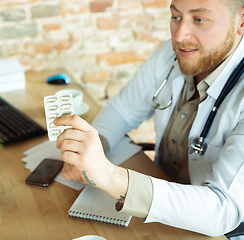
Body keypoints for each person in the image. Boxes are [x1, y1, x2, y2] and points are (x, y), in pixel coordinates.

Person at [54, 0, 244, 237]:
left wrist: (110, 176)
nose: (180, 35)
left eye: (199, 20)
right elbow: (123, 110)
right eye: (175, 17)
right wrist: (89, 152)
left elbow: (222, 210)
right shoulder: (170, 55)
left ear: (241, 21)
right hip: (156, 210)